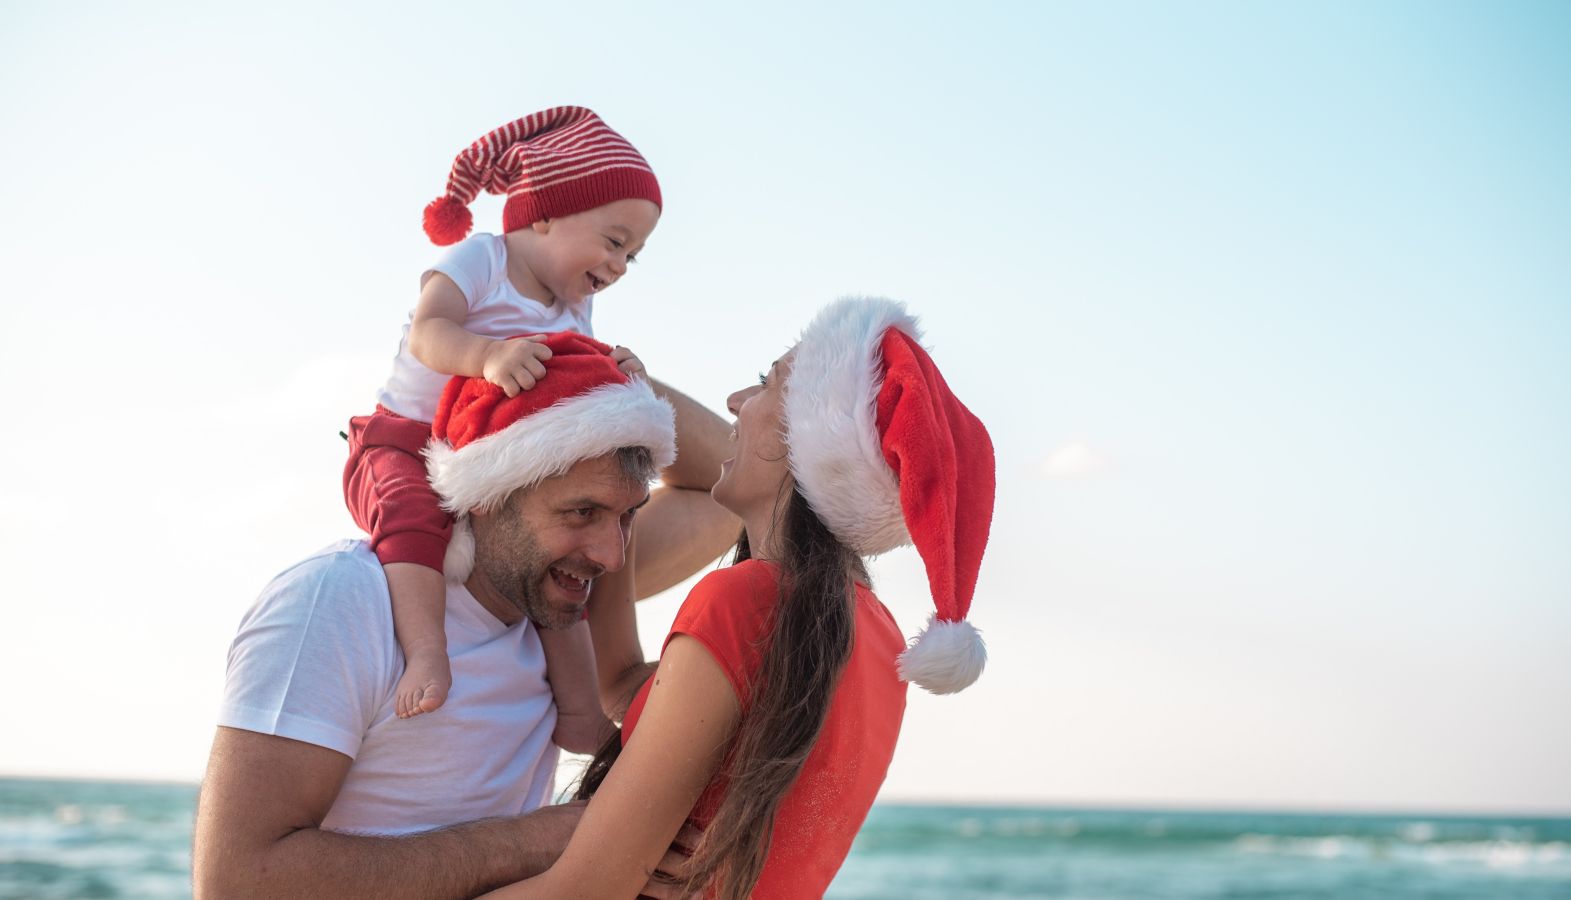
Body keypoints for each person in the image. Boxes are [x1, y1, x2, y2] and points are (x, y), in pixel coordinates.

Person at [484, 296, 997, 899]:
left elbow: (579, 892)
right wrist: (630, 426)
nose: (734, 402)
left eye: (765, 383)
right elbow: (626, 685)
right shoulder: (873, 628)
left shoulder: (744, 600)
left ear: (811, 440)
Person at [194, 333, 740, 899]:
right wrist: (542, 842)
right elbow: (237, 883)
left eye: (627, 517)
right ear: (487, 492)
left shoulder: (558, 601)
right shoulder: (338, 601)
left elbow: (723, 498)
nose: (611, 556)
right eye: (583, 512)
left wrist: (613, 378)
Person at [343, 107, 662, 756]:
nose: (622, 263)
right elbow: (430, 332)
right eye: (614, 240)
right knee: (411, 520)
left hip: (487, 461)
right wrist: (485, 357)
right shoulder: (480, 259)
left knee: (554, 567)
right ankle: (428, 655)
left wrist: (622, 375)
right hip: (404, 440)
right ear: (543, 214)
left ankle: (579, 710)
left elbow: (572, 385)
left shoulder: (575, 305)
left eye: (633, 253)